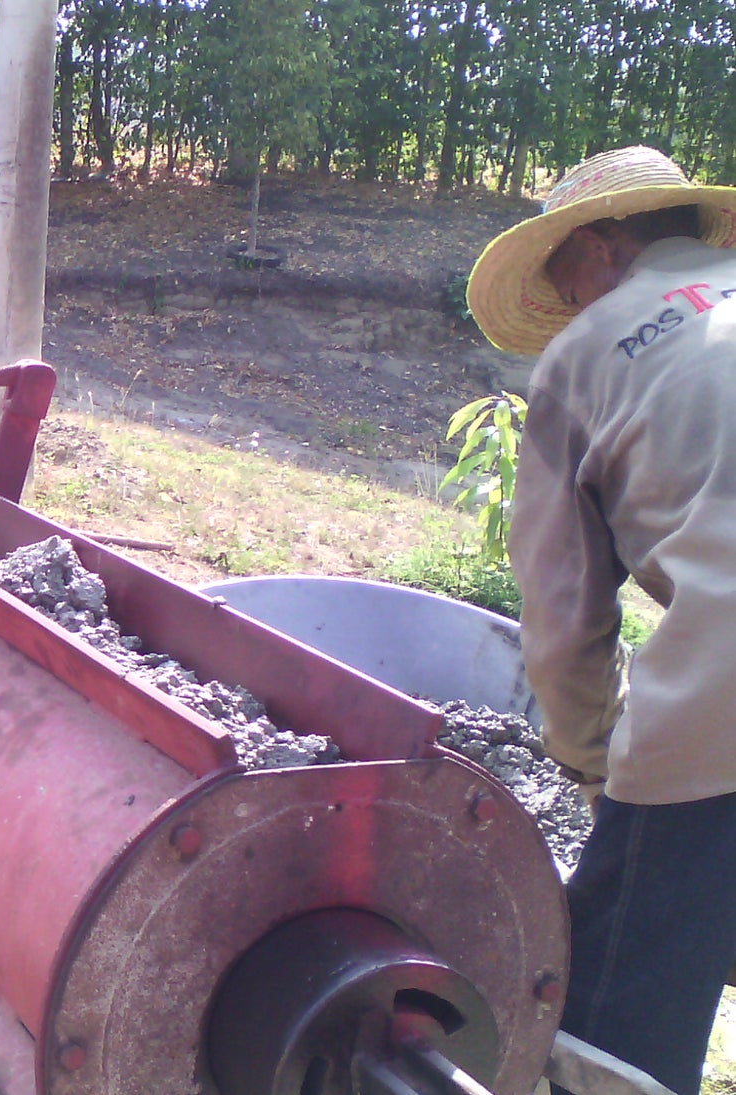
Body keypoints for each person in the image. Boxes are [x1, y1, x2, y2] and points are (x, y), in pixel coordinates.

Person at [466, 145, 736, 1095]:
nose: (568, 308)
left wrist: (599, 770)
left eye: (566, 280)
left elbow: (563, 624)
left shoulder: (590, 352)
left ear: (603, 243)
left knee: (609, 1032)